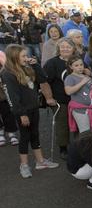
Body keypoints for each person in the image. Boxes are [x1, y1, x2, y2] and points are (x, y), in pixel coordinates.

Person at [1, 45, 59, 178]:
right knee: (24, 137)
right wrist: (21, 114)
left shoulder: (27, 67)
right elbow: (12, 97)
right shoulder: (7, 73)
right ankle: (24, 165)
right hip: (22, 111)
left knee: (34, 134)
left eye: (26, 55)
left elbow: (43, 79)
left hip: (33, 107)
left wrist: (36, 65)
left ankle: (40, 161)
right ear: (14, 57)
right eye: (23, 56)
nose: (26, 58)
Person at [43, 38, 76, 159]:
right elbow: (44, 82)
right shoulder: (52, 63)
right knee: (62, 124)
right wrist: (49, 98)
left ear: (73, 48)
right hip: (60, 100)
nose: (65, 49)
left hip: (78, 99)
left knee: (79, 123)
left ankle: (80, 145)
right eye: (62, 47)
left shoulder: (77, 60)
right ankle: (63, 148)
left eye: (68, 46)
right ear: (58, 49)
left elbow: (86, 72)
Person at [64, 55, 92, 134]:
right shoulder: (70, 78)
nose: (80, 67)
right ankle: (86, 146)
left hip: (91, 108)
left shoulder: (85, 76)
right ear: (71, 67)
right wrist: (82, 82)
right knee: (85, 132)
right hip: (80, 109)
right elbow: (68, 91)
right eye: (76, 65)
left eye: (81, 65)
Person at [0, 50, 19, 146]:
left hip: (3, 92)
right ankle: (0, 132)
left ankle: (11, 132)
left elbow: (6, 66)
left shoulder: (1, 54)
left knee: (7, 112)